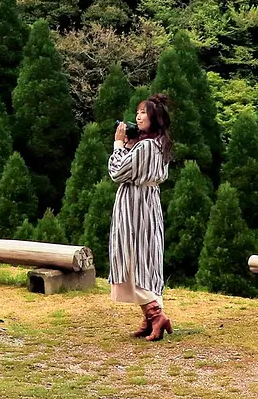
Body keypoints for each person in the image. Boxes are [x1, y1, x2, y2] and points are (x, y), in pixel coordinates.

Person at [107, 93, 173, 341]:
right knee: (145, 258)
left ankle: (156, 316)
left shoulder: (146, 147)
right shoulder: (157, 144)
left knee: (134, 257)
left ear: (154, 117)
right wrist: (130, 147)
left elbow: (117, 172)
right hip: (147, 203)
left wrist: (118, 145)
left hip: (135, 207)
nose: (138, 116)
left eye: (143, 112)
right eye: (138, 112)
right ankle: (150, 317)